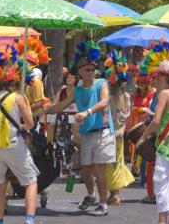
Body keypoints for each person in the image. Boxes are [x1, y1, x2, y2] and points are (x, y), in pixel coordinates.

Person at [45, 41, 114, 216]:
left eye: (93, 69)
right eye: (87, 69)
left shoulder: (102, 83)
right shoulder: (77, 90)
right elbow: (60, 106)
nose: (91, 72)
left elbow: (104, 101)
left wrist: (86, 112)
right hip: (87, 134)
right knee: (85, 170)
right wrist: (42, 109)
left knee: (99, 169)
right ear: (80, 72)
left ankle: (103, 204)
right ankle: (91, 195)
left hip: (102, 132)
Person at [0, 46, 39, 224]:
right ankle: (29, 220)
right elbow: (30, 124)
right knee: (30, 181)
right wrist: (21, 125)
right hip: (14, 143)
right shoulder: (17, 98)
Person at [138, 60, 169, 224]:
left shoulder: (164, 93)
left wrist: (143, 136)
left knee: (160, 182)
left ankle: (161, 220)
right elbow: (166, 118)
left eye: (156, 75)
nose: (154, 79)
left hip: (166, 145)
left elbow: (157, 121)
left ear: (161, 77)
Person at [104, 51, 135, 205]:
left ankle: (115, 194)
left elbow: (124, 115)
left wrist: (119, 130)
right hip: (107, 133)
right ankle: (112, 193)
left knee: (115, 163)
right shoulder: (106, 94)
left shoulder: (125, 97)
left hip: (116, 134)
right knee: (109, 163)